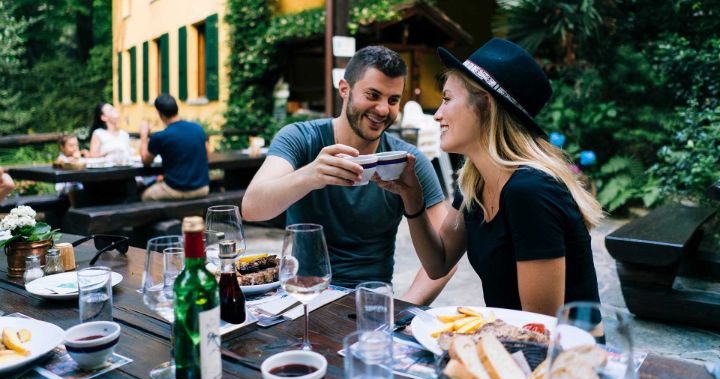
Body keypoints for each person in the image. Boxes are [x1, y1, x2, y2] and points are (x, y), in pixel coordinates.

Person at [375, 39, 604, 316]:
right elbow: (439, 263)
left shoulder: (531, 191)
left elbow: (538, 326)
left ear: (485, 106)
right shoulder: (476, 180)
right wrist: (411, 197)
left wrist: (459, 337)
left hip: (564, 354)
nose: (437, 115)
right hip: (510, 343)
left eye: (447, 99)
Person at [242, 46, 455, 305]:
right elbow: (252, 208)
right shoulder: (300, 138)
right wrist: (310, 175)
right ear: (345, 89)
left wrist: (403, 310)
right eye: (373, 95)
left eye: (393, 100)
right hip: (302, 296)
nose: (383, 109)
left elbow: (447, 256)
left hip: (370, 299)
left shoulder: (407, 162)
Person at [139, 94, 210, 201]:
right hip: (202, 188)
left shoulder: (160, 136)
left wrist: (143, 136)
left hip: (176, 189)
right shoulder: (198, 129)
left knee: (143, 195)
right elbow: (207, 155)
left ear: (160, 113)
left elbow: (145, 161)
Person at [55, 134, 85, 200]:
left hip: (78, 188)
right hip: (64, 191)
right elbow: (59, 163)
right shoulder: (61, 158)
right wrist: (74, 159)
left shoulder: (78, 157)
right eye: (71, 146)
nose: (75, 148)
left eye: (76, 145)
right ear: (62, 148)